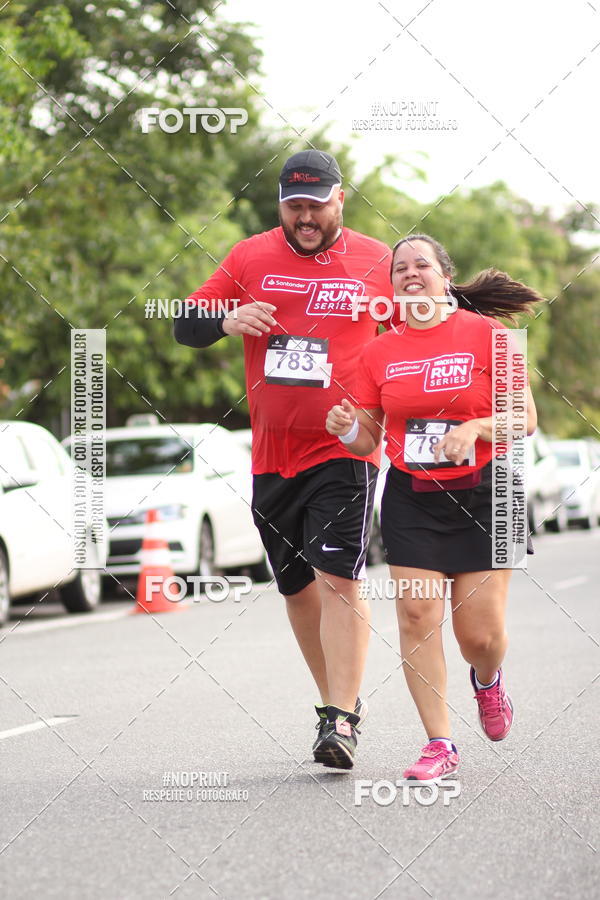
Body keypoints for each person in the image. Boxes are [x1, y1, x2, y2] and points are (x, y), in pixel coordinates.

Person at [175, 150, 395, 769]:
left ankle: (341, 718)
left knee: (338, 578)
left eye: (316, 206)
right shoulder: (250, 257)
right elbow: (185, 324)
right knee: (297, 589)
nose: (304, 218)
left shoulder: (376, 259)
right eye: (294, 206)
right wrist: (226, 319)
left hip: (345, 449)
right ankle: (338, 700)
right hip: (273, 457)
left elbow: (417, 329)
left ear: (340, 200)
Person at [326, 233, 542, 781]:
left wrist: (476, 427)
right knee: (417, 616)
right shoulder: (378, 351)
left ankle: (488, 680)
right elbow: (368, 436)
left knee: (479, 637)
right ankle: (440, 743)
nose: (409, 273)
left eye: (421, 264)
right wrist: (347, 429)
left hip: (489, 491)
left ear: (445, 277)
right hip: (412, 497)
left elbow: (525, 419)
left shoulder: (489, 335)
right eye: (399, 268)